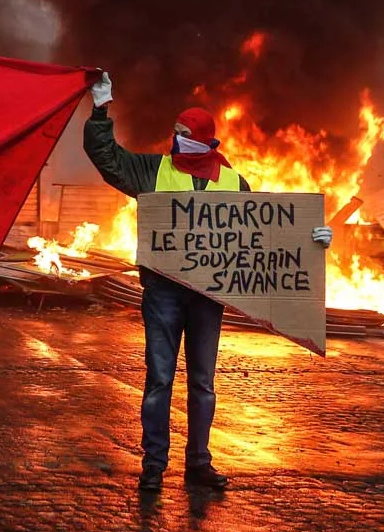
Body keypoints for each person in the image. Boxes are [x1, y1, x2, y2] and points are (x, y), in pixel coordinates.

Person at [83, 72, 333, 492]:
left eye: (185, 134)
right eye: (175, 133)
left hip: (207, 296)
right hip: (163, 292)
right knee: (159, 379)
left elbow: (265, 236)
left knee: (202, 382)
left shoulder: (234, 183)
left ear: (205, 139)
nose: (177, 140)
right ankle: (154, 465)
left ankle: (198, 463)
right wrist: (100, 110)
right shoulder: (153, 170)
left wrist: (312, 240)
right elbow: (108, 159)